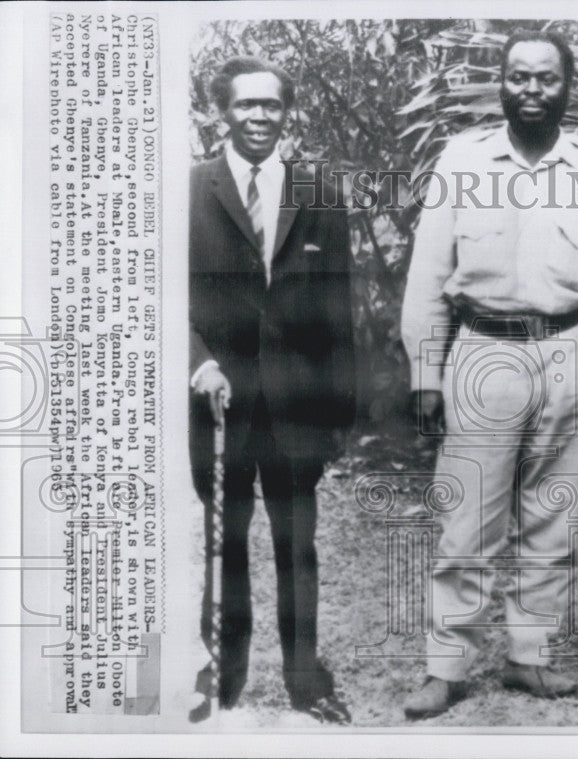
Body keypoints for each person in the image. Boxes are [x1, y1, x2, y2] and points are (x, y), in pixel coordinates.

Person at [400, 30, 578, 719]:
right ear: (503, 83)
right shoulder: (464, 158)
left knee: (552, 516)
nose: (533, 90)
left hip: (571, 350)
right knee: (467, 520)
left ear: (568, 88)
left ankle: (529, 656)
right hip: (483, 347)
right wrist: (425, 371)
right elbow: (427, 272)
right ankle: (446, 666)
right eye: (520, 77)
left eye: (547, 79)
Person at [189, 56, 355, 723]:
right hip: (217, 402)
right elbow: (158, 295)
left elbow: (339, 306)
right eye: (245, 105)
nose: (259, 117)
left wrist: (339, 409)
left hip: (297, 404)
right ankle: (219, 681)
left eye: (271, 106)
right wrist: (198, 361)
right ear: (220, 111)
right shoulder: (189, 190)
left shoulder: (318, 192)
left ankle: (306, 681)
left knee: (298, 546)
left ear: (288, 112)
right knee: (222, 541)